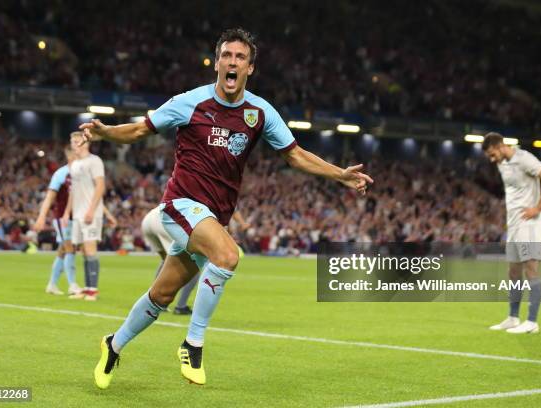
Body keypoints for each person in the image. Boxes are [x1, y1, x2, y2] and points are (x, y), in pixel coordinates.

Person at [81, 28, 372, 388]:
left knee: (162, 294)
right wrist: (106, 132)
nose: (233, 62)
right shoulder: (190, 102)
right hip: (180, 206)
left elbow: (295, 155)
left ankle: (114, 344)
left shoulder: (260, 112)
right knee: (228, 255)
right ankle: (193, 344)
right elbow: (141, 130)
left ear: (250, 68)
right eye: (227, 56)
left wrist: (340, 175)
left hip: (212, 217)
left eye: (241, 58)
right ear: (217, 62)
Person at [483, 132, 541, 334]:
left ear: (500, 145)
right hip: (514, 225)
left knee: (531, 269)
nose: (491, 158)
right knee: (513, 272)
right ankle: (513, 318)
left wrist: (538, 208)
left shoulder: (524, 159)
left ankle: (532, 322)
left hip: (529, 224)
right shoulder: (501, 164)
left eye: (492, 153)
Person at [142, 207, 250, 315]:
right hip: (169, 219)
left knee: (166, 261)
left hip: (152, 217)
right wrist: (242, 224)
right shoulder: (221, 201)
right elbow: (231, 211)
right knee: (193, 265)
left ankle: (154, 302)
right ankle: (180, 306)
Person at [32, 144, 81, 295]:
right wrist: (41, 216)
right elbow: (50, 197)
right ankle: (72, 284)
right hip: (62, 218)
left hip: (76, 218)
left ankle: (52, 284)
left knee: (62, 251)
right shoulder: (61, 174)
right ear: (71, 155)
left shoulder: (81, 173)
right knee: (69, 248)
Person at [65, 131, 107, 301]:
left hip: (91, 212)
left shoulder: (94, 161)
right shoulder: (74, 164)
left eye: (76, 141)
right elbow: (72, 190)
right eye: (72, 141)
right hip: (78, 213)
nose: (73, 144)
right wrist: (67, 211)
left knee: (90, 249)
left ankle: (93, 290)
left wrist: (91, 210)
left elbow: (100, 186)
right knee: (83, 250)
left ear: (85, 143)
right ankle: (87, 287)